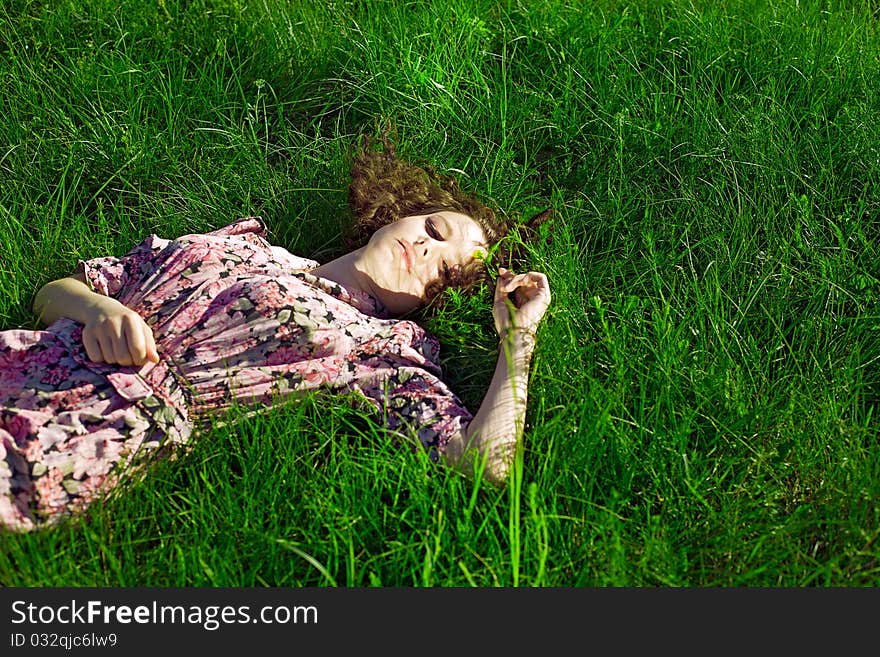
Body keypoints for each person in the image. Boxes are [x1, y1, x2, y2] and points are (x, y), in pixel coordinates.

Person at [0, 134, 551, 532]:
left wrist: (517, 342)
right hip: (24, 359)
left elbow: (484, 465)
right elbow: (55, 292)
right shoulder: (242, 242)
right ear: (401, 213)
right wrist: (97, 310)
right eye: (435, 230)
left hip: (87, 426)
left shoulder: (383, 349)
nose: (428, 251)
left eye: (445, 272)